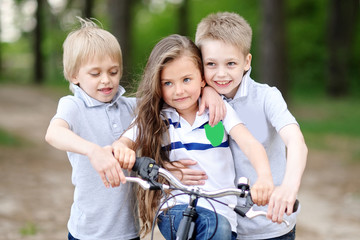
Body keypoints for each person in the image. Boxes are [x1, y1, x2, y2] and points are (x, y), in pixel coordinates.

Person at [113, 34, 274, 240]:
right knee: (200, 224)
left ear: (202, 78)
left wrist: (264, 177)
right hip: (175, 207)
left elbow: (250, 144)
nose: (178, 91)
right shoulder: (158, 115)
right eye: (168, 83)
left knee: (217, 226)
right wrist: (123, 150)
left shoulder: (218, 110)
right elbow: (122, 143)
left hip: (221, 211)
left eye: (186, 80)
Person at [192, 12, 308, 240]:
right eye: (211, 64)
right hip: (221, 224)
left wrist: (288, 188)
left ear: (247, 62)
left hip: (269, 224)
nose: (221, 73)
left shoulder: (266, 97)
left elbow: (296, 143)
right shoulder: (195, 100)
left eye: (231, 63)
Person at [45, 17, 140, 240]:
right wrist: (93, 151)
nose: (106, 80)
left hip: (128, 231)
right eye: (95, 74)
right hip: (87, 232)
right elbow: (53, 133)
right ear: (74, 76)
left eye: (113, 72)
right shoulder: (73, 105)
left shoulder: (132, 106)